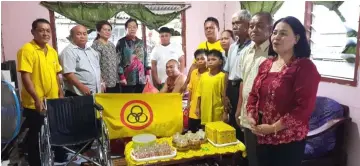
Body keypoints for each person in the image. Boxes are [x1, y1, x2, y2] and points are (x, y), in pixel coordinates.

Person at [246, 16, 320, 166]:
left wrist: (274, 128)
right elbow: (253, 94)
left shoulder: (304, 67)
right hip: (262, 136)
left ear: (296, 38)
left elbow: (303, 108)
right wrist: (251, 115)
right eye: (274, 32)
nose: (276, 37)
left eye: (283, 33)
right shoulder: (266, 64)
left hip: (288, 141)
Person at [17, 18, 64, 165]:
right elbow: (26, 76)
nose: (45, 33)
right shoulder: (26, 50)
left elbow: (57, 75)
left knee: (53, 132)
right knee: (36, 136)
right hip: (34, 103)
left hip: (52, 100)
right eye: (41, 30)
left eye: (48, 30)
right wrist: (36, 99)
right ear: (33, 32)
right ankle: (36, 162)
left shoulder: (52, 51)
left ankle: (55, 158)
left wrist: (60, 92)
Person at [235, 12, 273, 166]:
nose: (254, 29)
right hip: (246, 112)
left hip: (264, 116)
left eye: (260, 26)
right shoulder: (246, 52)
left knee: (265, 157)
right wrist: (239, 109)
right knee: (251, 156)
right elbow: (243, 82)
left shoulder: (273, 52)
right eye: (251, 26)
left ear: (270, 29)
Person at [223, 10, 252, 143]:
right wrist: (224, 95)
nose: (234, 26)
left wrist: (240, 103)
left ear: (248, 24)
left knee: (242, 125)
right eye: (233, 23)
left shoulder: (252, 47)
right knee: (232, 126)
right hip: (231, 88)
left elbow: (245, 79)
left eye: (238, 23)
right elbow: (227, 72)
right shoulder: (233, 47)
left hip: (244, 89)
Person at [181, 17, 224, 93]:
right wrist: (186, 83)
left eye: (211, 28)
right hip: (202, 84)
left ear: (218, 29)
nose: (208, 30)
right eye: (206, 28)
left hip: (218, 84)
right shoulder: (202, 45)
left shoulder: (223, 45)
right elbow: (194, 65)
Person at [60, 25, 104, 97]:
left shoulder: (92, 51)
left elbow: (96, 69)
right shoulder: (68, 51)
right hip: (77, 94)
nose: (82, 36)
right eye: (78, 34)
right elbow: (68, 74)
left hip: (94, 94)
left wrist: (101, 83)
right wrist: (82, 87)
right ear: (72, 36)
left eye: (84, 34)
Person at [116, 18, 150, 93]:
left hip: (141, 79)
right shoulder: (121, 42)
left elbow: (145, 58)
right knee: (128, 102)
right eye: (130, 27)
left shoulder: (141, 42)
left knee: (140, 102)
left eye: (134, 27)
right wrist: (121, 76)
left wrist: (147, 74)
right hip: (127, 79)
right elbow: (118, 61)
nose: (132, 29)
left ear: (137, 28)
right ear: (126, 28)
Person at [196, 50, 227, 124]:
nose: (210, 62)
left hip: (217, 111)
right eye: (209, 60)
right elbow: (199, 94)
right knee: (206, 131)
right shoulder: (203, 76)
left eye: (213, 59)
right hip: (205, 110)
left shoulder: (222, 76)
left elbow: (224, 96)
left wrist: (225, 112)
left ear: (220, 61)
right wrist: (197, 107)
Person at [91, 20, 120, 93]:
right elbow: (95, 65)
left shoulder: (111, 45)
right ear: (98, 31)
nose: (107, 32)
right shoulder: (96, 45)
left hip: (115, 81)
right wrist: (100, 82)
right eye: (104, 29)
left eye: (109, 30)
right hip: (103, 83)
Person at [187, 49, 208, 132]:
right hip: (193, 106)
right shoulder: (193, 72)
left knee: (204, 132)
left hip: (205, 107)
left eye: (202, 59)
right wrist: (188, 104)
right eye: (198, 59)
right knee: (192, 131)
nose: (200, 61)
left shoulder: (210, 73)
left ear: (207, 59)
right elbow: (190, 89)